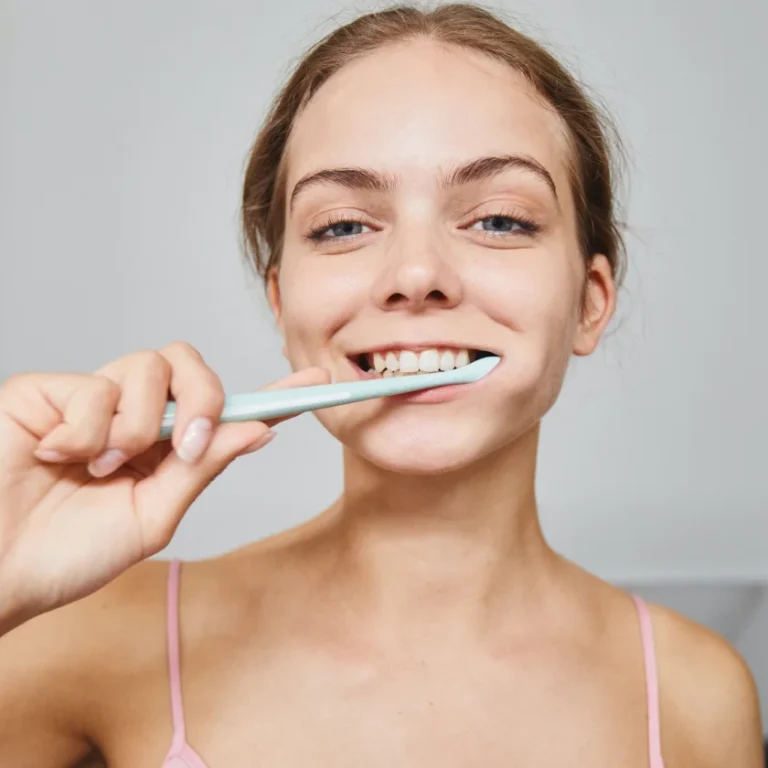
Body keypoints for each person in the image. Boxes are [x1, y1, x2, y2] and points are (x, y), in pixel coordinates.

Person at [0, 4, 762, 767]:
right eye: (342, 226)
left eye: (498, 219)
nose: (415, 275)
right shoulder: (87, 639)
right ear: (282, 301)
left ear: (590, 303)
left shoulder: (696, 696)